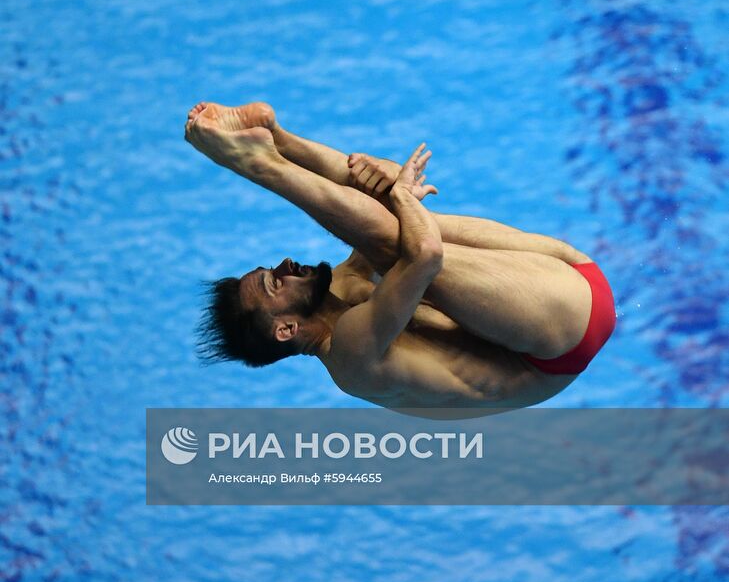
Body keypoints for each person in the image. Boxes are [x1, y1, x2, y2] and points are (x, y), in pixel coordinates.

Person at [185, 101, 615, 414]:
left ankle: (278, 139)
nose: (283, 265)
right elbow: (423, 254)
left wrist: (391, 179)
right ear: (286, 330)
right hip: (560, 339)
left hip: (567, 271)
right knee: (397, 242)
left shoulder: (344, 285)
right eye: (273, 283)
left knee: (385, 215)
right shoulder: (351, 358)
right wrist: (401, 193)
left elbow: (370, 210)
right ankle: (258, 165)